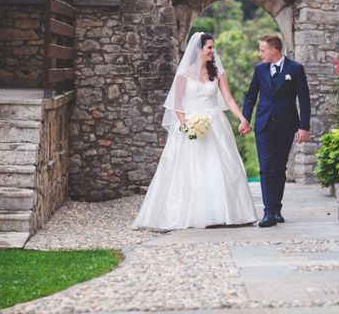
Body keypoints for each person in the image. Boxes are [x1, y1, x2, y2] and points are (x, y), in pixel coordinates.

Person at [133, 32, 257, 230]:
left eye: (213, 47)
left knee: (219, 168)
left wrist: (242, 118)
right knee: (189, 170)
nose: (212, 51)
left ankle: (221, 213)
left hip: (215, 124)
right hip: (190, 125)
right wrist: (186, 125)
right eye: (209, 47)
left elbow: (229, 99)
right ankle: (189, 214)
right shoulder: (184, 74)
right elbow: (177, 103)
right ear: (198, 49)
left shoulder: (217, 73)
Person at [240, 34, 311, 228]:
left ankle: (277, 207)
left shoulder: (295, 69)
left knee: (280, 168)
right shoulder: (259, 70)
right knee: (266, 168)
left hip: (286, 125)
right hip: (263, 125)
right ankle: (268, 212)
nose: (260, 53)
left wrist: (304, 126)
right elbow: (250, 96)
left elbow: (304, 99)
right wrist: (245, 119)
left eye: (262, 50)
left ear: (275, 51)